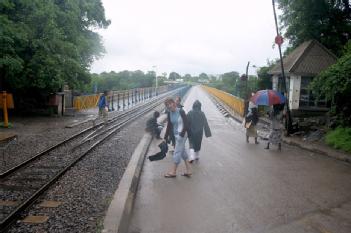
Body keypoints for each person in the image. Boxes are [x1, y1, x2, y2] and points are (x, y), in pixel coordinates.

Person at [163, 98, 192, 178]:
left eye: (170, 103)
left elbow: (186, 124)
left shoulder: (181, 111)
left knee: (177, 152)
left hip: (182, 134)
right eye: (167, 105)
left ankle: (173, 172)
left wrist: (181, 136)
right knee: (182, 152)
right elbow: (169, 125)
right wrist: (165, 136)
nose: (169, 106)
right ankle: (189, 170)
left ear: (173, 103)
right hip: (176, 134)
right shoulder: (169, 113)